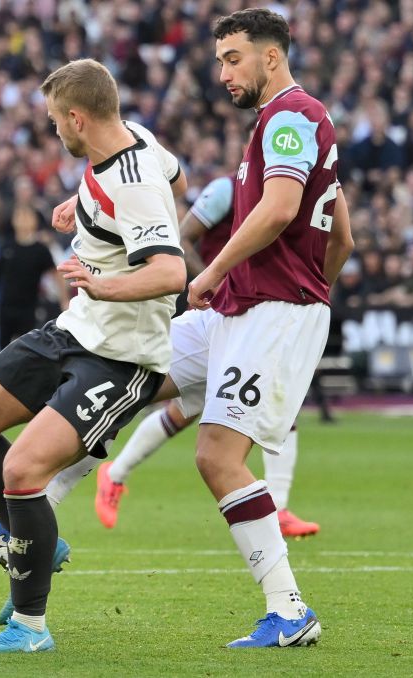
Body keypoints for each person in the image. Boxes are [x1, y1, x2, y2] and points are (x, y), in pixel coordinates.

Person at [0, 58, 187, 653]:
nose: (55, 132)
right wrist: (83, 215)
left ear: (78, 117)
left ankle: (30, 628)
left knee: (22, 471)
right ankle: (38, 544)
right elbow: (177, 182)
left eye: (56, 122)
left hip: (121, 356)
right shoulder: (137, 142)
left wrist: (104, 281)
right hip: (74, 329)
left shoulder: (133, 183)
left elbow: (171, 270)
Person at [163, 9, 353, 648]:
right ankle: (31, 510)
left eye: (233, 58)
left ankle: (290, 609)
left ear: (271, 57)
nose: (223, 73)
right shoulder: (289, 122)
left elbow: (279, 209)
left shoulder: (291, 117)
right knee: (129, 361)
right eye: (220, 60)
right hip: (249, 307)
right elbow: (343, 235)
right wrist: (312, 284)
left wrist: (219, 272)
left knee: (218, 456)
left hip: (269, 309)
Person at [94, 175, 319, 537]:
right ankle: (99, 470)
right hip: (214, 310)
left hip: (251, 316)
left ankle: (114, 473)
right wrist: (215, 278)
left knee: (252, 401)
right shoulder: (227, 190)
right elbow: (182, 238)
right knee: (191, 410)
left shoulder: (287, 195)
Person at [0, 204, 70, 350]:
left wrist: (64, 299)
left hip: (29, 308)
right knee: (2, 348)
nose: (23, 220)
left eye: (27, 216)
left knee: (28, 349)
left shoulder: (40, 250)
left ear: (34, 221)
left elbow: (56, 274)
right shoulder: (7, 246)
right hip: (6, 306)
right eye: (19, 216)